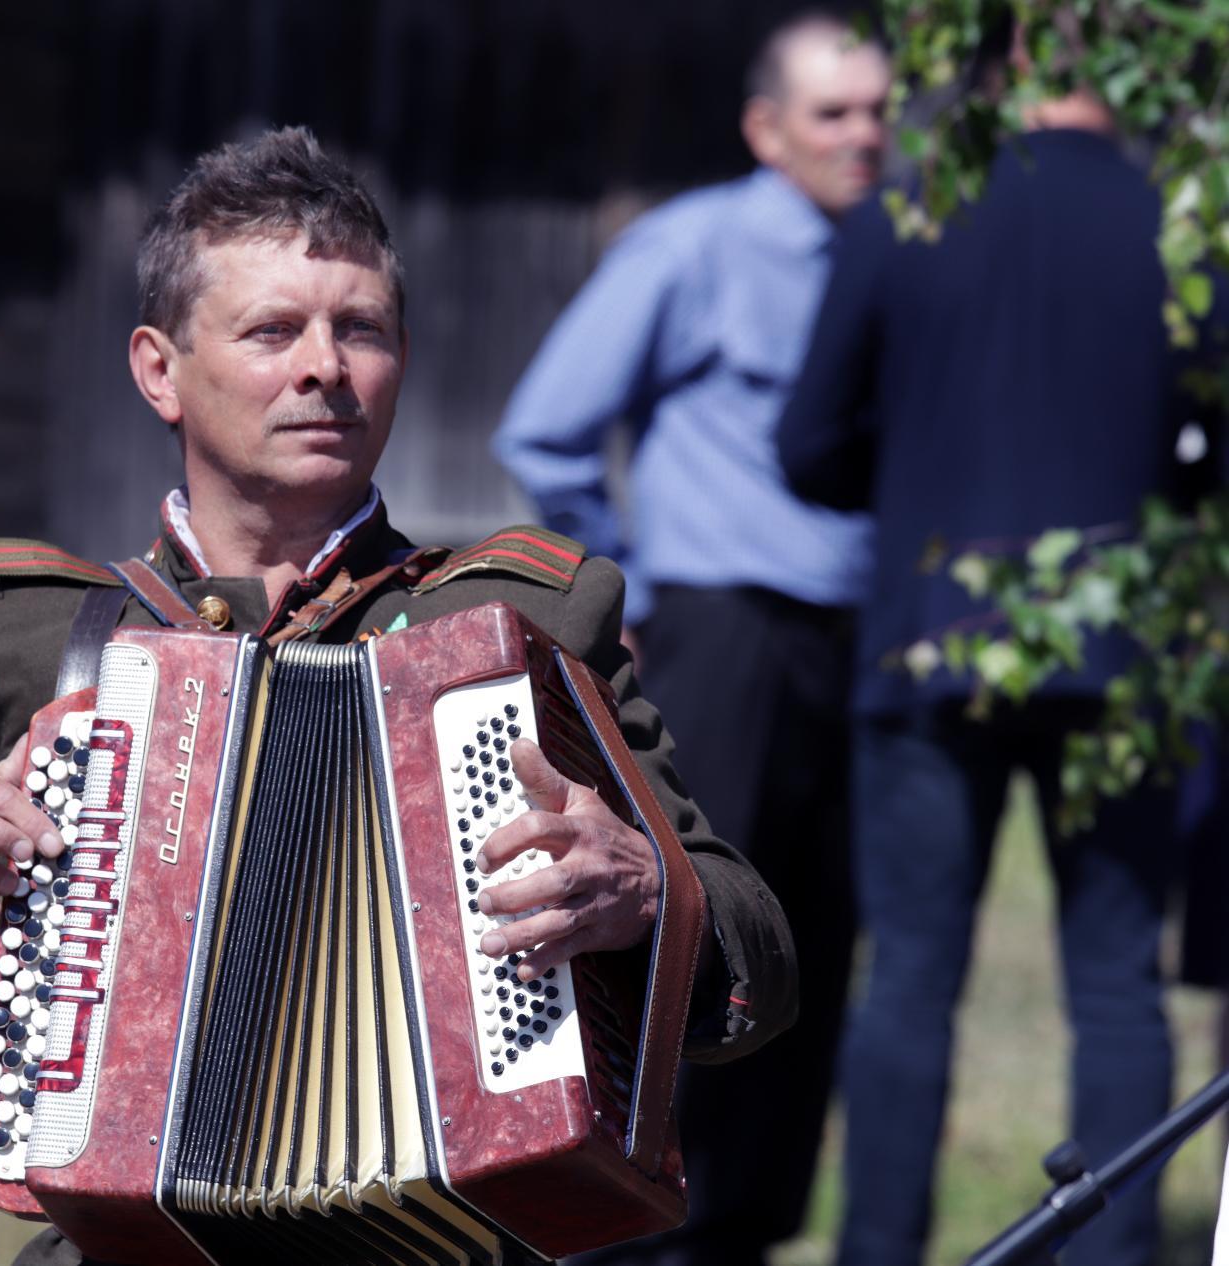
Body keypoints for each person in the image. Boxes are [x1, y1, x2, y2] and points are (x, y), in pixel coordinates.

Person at [0, 127, 798, 1266]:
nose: (324, 367)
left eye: (359, 329)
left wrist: (645, 889)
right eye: (271, 331)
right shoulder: (40, 635)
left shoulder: (519, 628)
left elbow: (754, 944)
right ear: (159, 369)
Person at [776, 78, 1214, 1266]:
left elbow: (805, 443)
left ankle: (880, 1250)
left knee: (908, 979)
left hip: (929, 636)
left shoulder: (907, 205)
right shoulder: (1180, 220)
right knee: (1117, 986)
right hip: (1118, 651)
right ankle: (1109, 1258)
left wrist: (923, 483)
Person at [491, 14, 888, 1264]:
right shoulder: (693, 247)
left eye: (878, 111)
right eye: (831, 114)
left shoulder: (891, 253)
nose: (862, 137)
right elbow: (546, 428)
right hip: (722, 630)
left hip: (857, 645)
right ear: (763, 129)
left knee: (813, 943)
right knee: (695, 928)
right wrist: (641, 591)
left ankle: (747, 1229)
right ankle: (643, 1215)